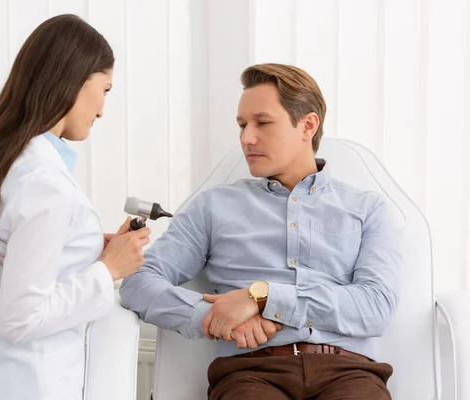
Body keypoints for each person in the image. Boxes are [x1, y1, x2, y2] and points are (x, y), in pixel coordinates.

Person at [120, 63, 402, 399]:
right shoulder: (213, 206)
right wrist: (218, 315)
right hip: (251, 375)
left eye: (262, 123)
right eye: (242, 125)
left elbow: (376, 305)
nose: (246, 137)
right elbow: (138, 283)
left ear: (307, 125)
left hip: (349, 375)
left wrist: (263, 297)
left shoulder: (367, 209)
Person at [0, 14, 150, 400]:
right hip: (25, 378)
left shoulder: (14, 162)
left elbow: (20, 266)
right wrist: (108, 271)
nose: (103, 109)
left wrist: (91, 250)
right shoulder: (44, 182)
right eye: (104, 89)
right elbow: (21, 317)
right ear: (73, 79)